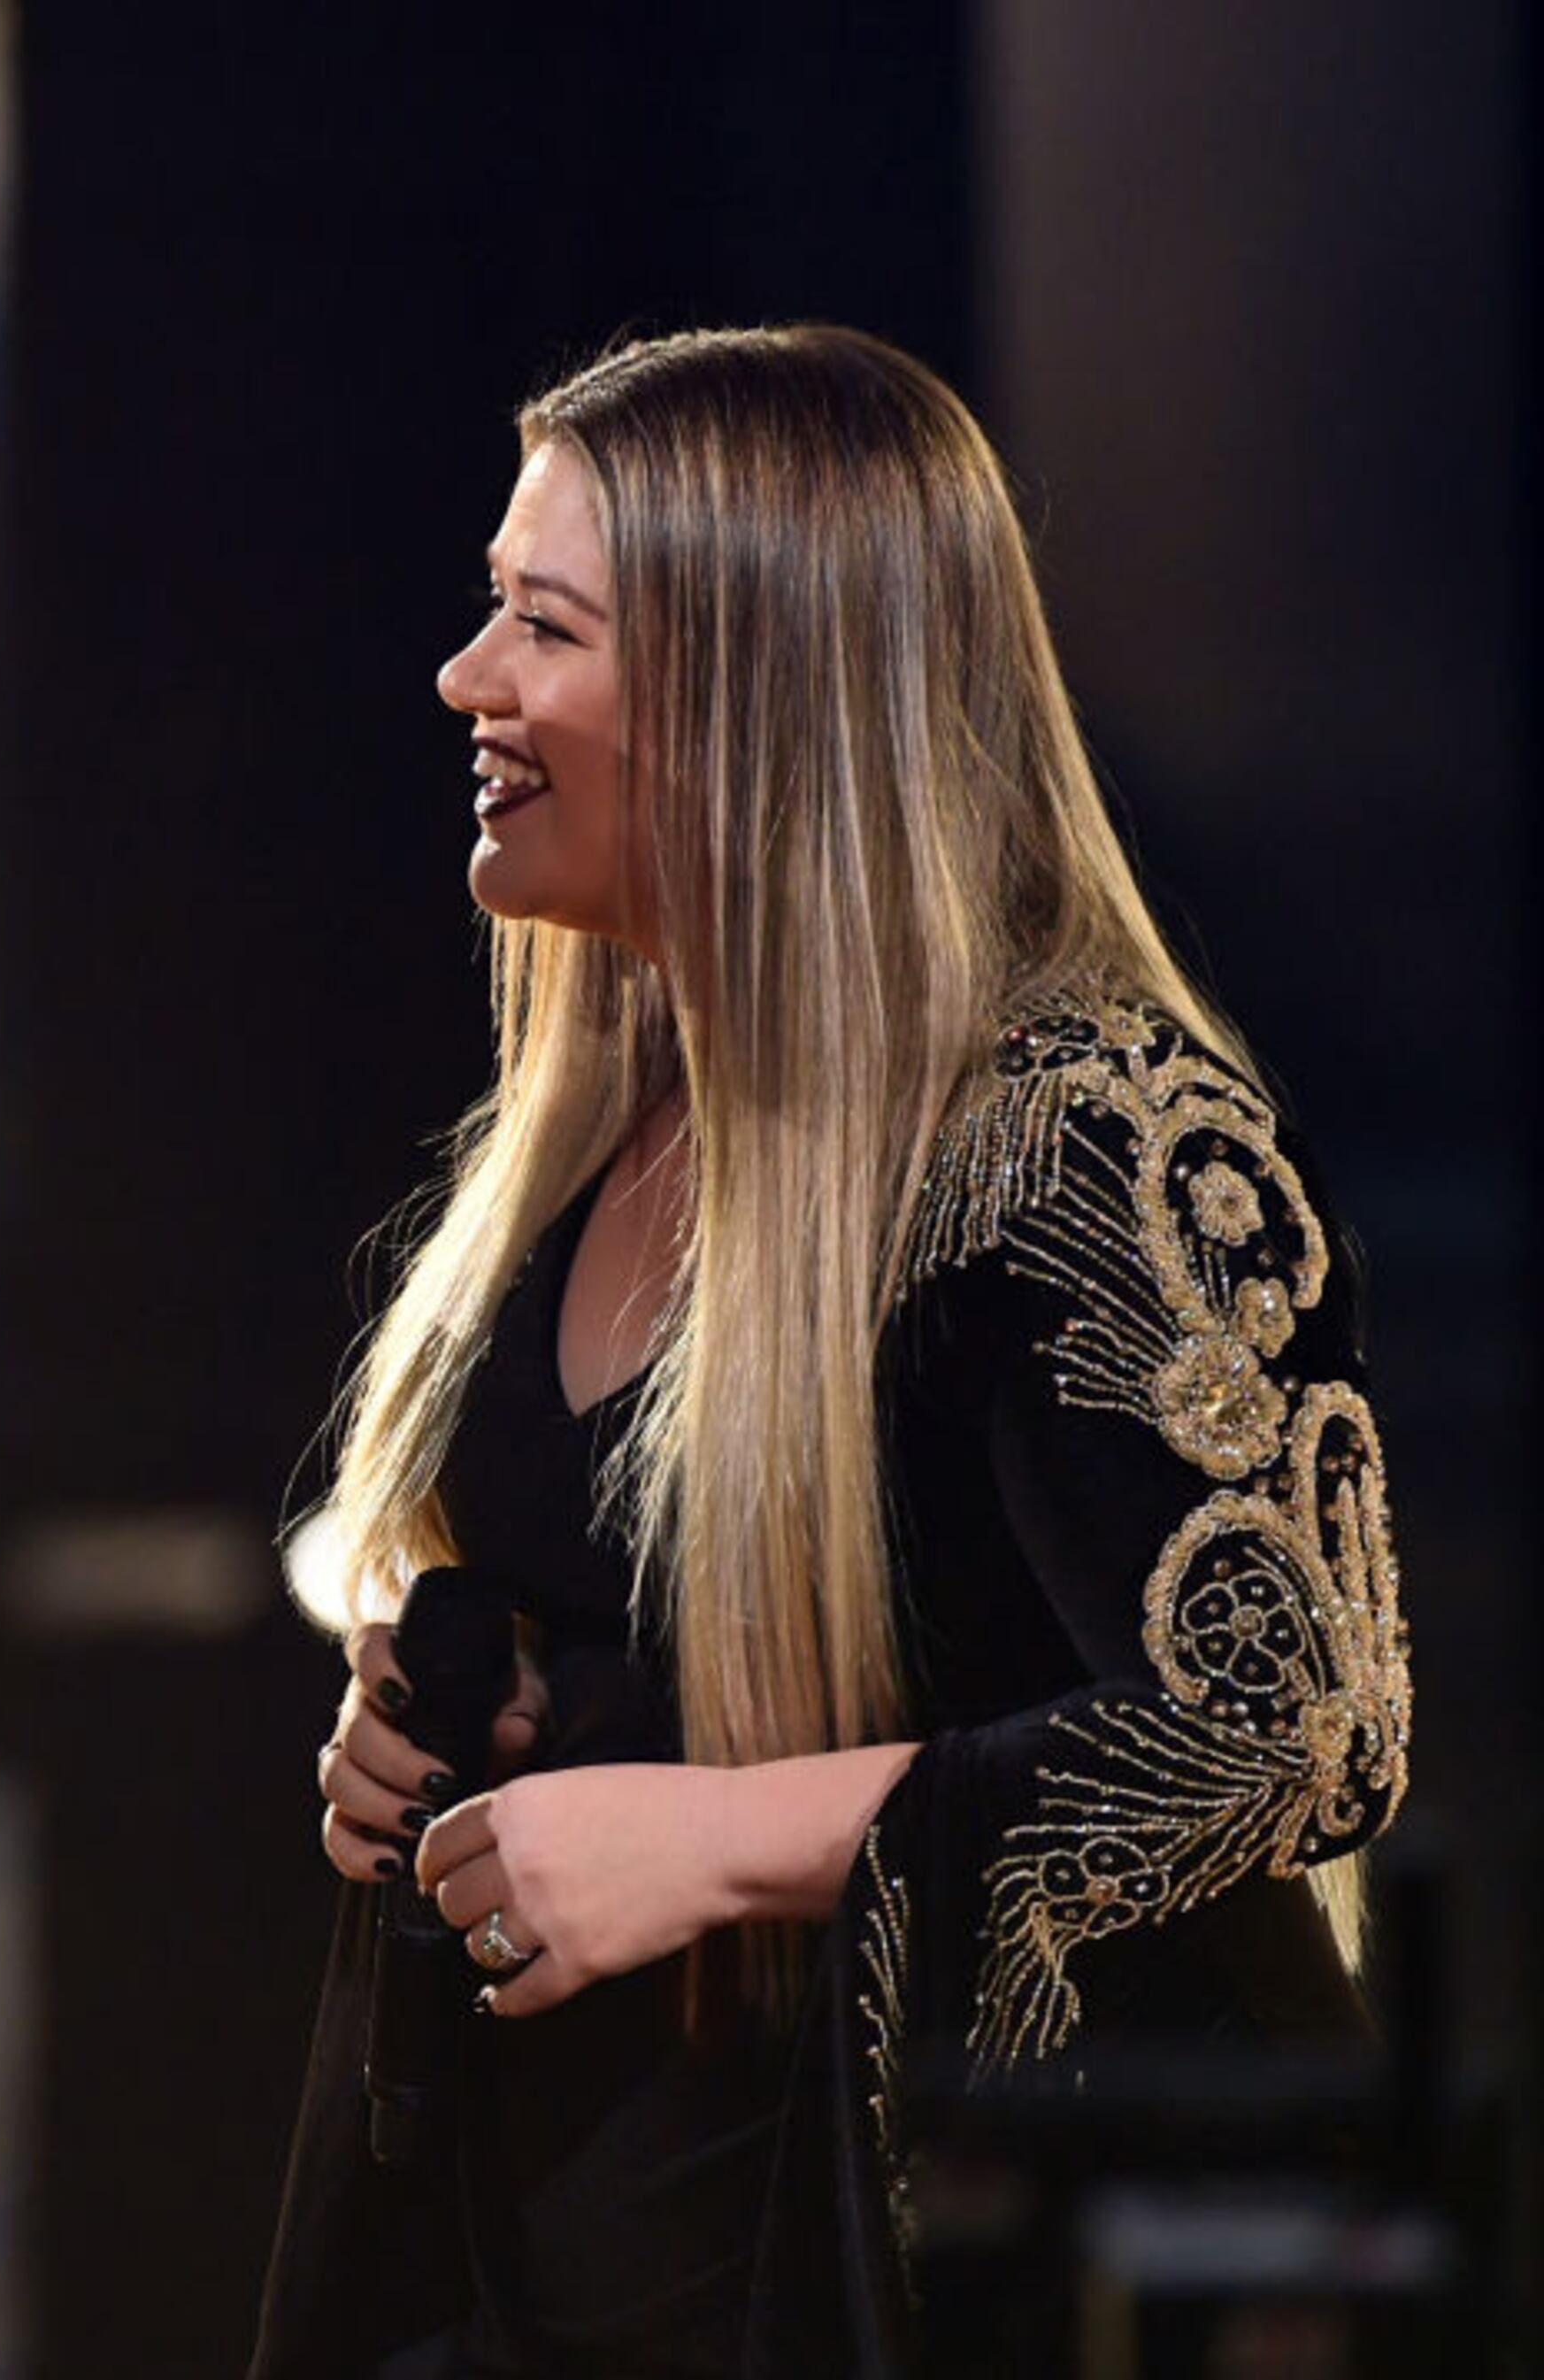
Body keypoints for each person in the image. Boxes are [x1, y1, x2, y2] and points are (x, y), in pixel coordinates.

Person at [250, 326, 1408, 2376]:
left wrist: (719, 1839)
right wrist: (452, 1722)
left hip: (922, 2288)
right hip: (562, 2269)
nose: (466, 679)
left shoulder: (1091, 1142)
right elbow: (648, 1625)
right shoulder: (615, 1107)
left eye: (542, 625)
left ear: (751, 691)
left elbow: (1299, 1731)